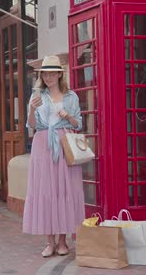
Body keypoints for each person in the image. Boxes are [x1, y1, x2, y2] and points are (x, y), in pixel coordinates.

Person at [22, 55, 85, 258]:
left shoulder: (71, 97)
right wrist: (32, 109)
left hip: (65, 145)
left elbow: (79, 124)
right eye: (45, 73)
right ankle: (49, 242)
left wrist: (68, 116)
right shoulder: (36, 96)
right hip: (42, 146)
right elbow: (31, 125)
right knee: (46, 192)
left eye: (52, 73)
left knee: (64, 191)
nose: (48, 77)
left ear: (59, 74)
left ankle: (63, 241)